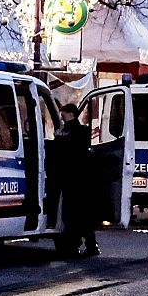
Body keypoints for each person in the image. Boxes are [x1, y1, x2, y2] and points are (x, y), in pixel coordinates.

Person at [51, 103, 99, 257]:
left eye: (63, 114)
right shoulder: (79, 131)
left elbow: (62, 151)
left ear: (70, 114)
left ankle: (83, 245)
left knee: (74, 214)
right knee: (78, 215)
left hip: (73, 180)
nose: (61, 116)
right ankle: (82, 244)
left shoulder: (71, 132)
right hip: (78, 180)